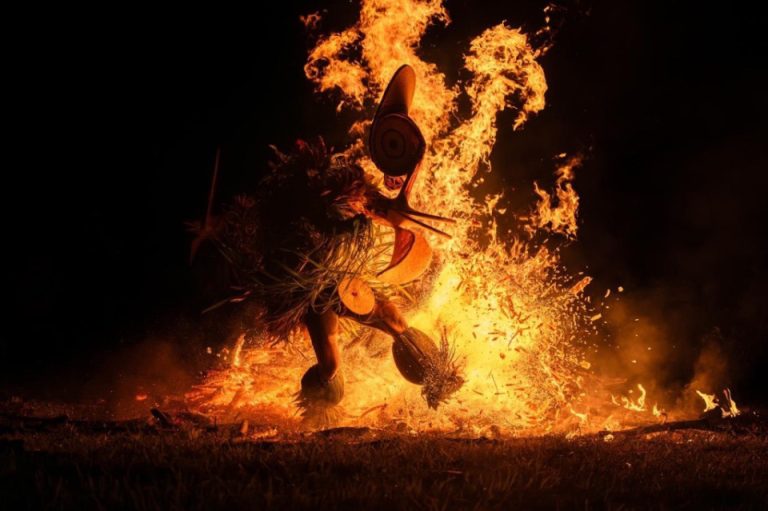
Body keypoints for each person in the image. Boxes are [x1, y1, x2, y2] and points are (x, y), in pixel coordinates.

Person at [191, 65, 462, 421]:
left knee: (395, 320)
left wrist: (395, 211)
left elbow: (372, 204)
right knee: (331, 365)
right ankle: (316, 410)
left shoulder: (349, 189)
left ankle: (438, 377)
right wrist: (214, 231)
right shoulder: (302, 203)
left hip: (341, 279)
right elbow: (271, 222)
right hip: (310, 290)